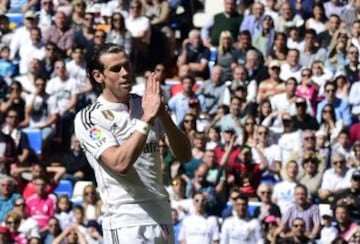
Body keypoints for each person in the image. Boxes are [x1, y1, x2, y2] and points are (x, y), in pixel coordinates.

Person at [74, 43, 191, 243]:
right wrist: (147, 120)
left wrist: (163, 115)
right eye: (115, 69)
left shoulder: (147, 104)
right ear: (98, 76)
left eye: (127, 65)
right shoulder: (90, 118)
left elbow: (185, 155)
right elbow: (119, 164)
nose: (125, 73)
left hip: (161, 215)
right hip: (126, 220)